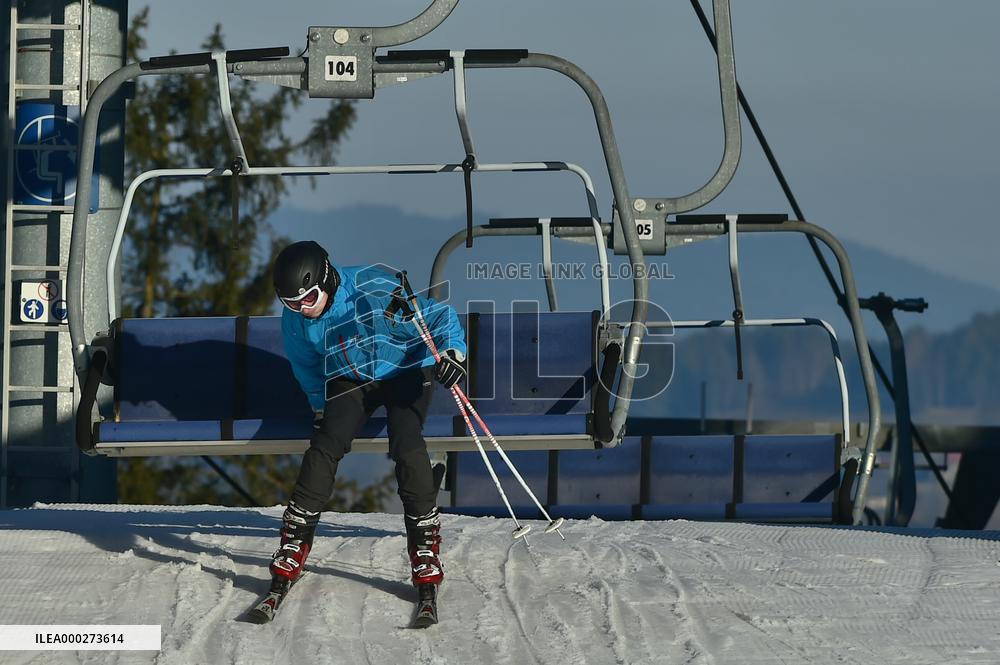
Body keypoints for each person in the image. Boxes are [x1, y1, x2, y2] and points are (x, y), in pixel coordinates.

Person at [268, 240, 467, 596]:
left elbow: (438, 316)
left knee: (406, 443)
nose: (301, 308)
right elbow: (307, 366)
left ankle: (424, 545)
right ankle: (295, 539)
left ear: (326, 280)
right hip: (352, 375)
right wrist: (319, 405)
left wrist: (453, 353)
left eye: (308, 298)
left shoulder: (373, 287)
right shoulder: (297, 320)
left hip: (406, 368)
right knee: (326, 443)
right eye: (290, 302)